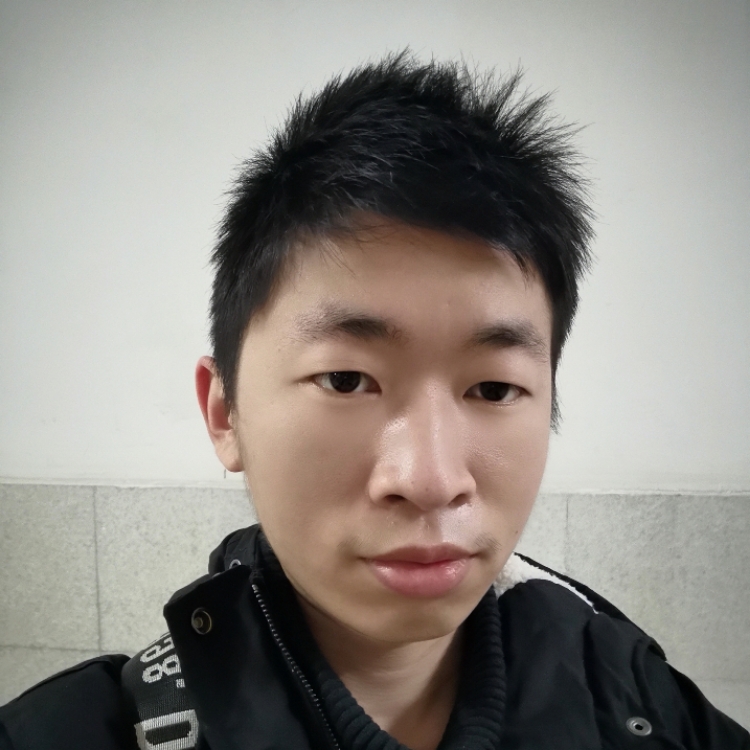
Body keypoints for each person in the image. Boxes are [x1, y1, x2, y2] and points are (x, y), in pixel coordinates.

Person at [1, 52, 748, 750]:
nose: (430, 479)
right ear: (225, 412)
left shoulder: (633, 694)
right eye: (346, 380)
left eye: (493, 387)